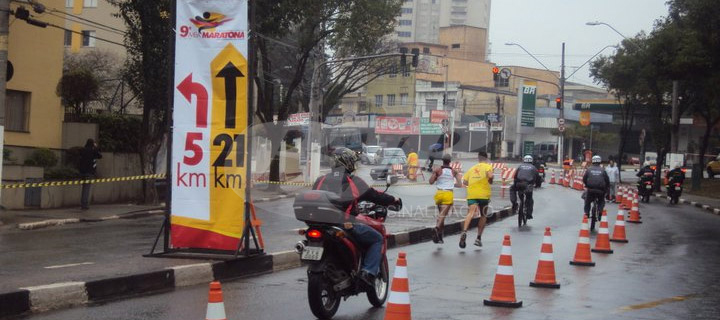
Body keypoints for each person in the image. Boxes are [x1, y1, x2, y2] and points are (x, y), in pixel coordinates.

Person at [312, 148, 400, 286]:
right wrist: (394, 199)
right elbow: (374, 195)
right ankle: (368, 272)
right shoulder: (352, 180)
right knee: (377, 239)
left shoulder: (320, 180)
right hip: (344, 224)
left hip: (321, 224)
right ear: (346, 162)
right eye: (352, 161)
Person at [459, 151, 494, 248]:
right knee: (483, 215)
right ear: (486, 159)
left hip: (472, 194)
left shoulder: (471, 168)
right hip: (483, 195)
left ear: (478, 158)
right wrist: (490, 179)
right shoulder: (488, 166)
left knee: (470, 213)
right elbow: (490, 176)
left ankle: (464, 231)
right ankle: (478, 238)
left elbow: (465, 182)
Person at [429, 154, 462, 244]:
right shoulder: (454, 172)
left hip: (439, 194)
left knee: (441, 215)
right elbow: (460, 184)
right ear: (450, 161)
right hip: (448, 193)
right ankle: (436, 228)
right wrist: (451, 184)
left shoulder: (438, 170)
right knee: (442, 215)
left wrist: (435, 175)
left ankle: (440, 236)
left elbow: (431, 182)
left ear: (442, 161)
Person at [510, 155, 539, 219]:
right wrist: (537, 185)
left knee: (512, 189)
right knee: (529, 199)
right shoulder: (533, 167)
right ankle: (529, 214)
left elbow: (515, 176)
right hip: (528, 185)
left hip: (519, 184)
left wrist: (515, 184)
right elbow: (537, 178)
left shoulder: (520, 166)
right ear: (532, 161)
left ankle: (514, 203)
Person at [78, 139, 102, 210]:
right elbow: (100, 156)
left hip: (82, 171)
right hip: (89, 172)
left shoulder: (83, 150)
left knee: (84, 187)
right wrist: (96, 147)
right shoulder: (93, 151)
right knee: (87, 188)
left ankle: (83, 203)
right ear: (92, 144)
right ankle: (84, 204)